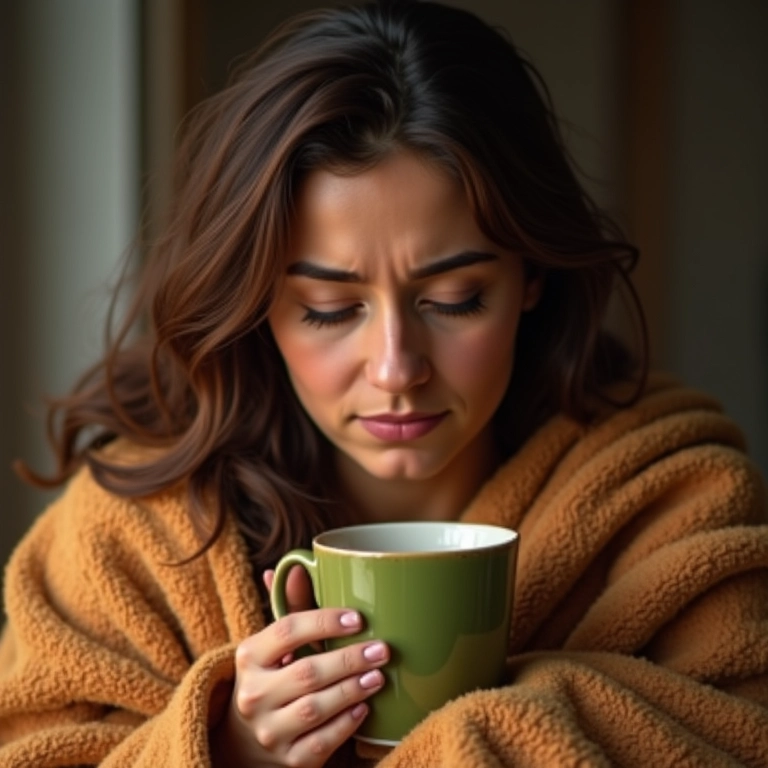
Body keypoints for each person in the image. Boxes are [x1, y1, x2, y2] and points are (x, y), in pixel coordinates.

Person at [2, 1, 767, 765]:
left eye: (455, 299)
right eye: (330, 309)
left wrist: (492, 732)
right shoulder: (133, 533)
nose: (397, 367)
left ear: (532, 275)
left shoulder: (669, 498)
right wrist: (226, 745)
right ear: (257, 302)